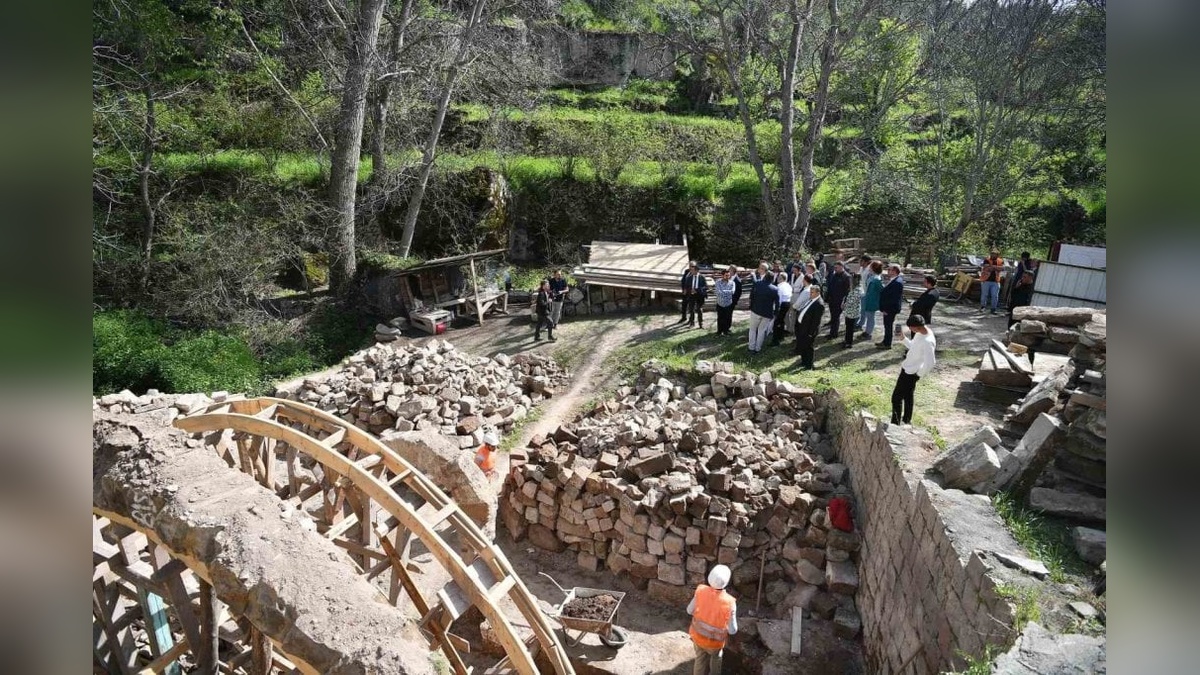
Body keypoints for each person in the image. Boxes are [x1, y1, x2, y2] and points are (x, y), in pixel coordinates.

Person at [687, 564, 738, 675]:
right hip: (715, 643)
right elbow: (732, 630)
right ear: (727, 581)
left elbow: (689, 610)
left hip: (697, 637)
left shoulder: (700, 591)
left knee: (700, 659)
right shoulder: (730, 602)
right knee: (716, 658)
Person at [891, 315, 936, 426]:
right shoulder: (921, 333)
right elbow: (913, 346)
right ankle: (906, 420)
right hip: (908, 368)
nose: (910, 330)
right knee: (908, 396)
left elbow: (930, 362)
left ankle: (895, 423)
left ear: (916, 327)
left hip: (911, 372)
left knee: (896, 398)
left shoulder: (928, 341)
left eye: (910, 328)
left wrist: (918, 374)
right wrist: (903, 338)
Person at [747, 263, 778, 354]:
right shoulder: (775, 289)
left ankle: (751, 347)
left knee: (752, 330)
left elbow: (752, 296)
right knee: (761, 331)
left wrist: (751, 306)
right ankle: (758, 349)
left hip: (756, 310)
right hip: (767, 313)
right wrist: (775, 314)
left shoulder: (757, 283)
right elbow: (777, 303)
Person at [793, 285, 825, 369]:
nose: (810, 294)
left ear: (818, 293)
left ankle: (808, 365)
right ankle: (803, 361)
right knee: (803, 345)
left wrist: (811, 333)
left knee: (808, 347)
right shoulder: (811, 300)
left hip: (808, 330)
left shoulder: (819, 304)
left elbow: (816, 321)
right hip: (802, 327)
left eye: (812, 292)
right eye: (810, 292)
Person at [877, 264, 905, 349]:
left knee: (888, 325)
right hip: (889, 308)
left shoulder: (897, 282)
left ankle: (887, 344)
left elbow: (893, 299)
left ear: (895, 271)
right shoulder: (894, 280)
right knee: (886, 325)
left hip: (890, 309)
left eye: (890, 270)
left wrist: (886, 309)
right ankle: (885, 341)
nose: (888, 271)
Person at [825, 261, 851, 339]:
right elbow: (830, 286)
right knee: (833, 317)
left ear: (841, 267)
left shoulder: (847, 277)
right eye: (834, 267)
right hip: (832, 299)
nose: (835, 269)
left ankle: (834, 334)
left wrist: (844, 301)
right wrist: (827, 297)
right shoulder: (834, 275)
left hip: (839, 301)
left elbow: (847, 291)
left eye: (836, 267)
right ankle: (832, 332)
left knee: (835, 317)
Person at [681, 261, 709, 328]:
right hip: (691, 295)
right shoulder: (689, 277)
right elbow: (686, 285)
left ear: (696, 270)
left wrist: (697, 290)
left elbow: (706, 287)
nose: (691, 271)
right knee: (691, 309)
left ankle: (700, 323)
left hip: (699, 295)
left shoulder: (702, 277)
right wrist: (686, 290)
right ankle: (691, 323)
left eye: (693, 270)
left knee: (699, 309)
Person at [860, 261, 883, 341]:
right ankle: (867, 331)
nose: (869, 267)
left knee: (870, 317)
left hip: (872, 301)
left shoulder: (877, 279)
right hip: (868, 299)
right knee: (867, 315)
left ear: (873, 268)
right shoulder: (871, 276)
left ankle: (868, 333)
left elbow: (881, 291)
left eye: (870, 266)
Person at [979, 249, 1005, 314]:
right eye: (992, 254)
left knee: (995, 295)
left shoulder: (1000, 261)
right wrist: (996, 267)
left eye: (994, 254)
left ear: (997, 255)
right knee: (984, 295)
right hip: (986, 280)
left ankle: (993, 309)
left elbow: (1002, 268)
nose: (993, 255)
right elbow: (987, 268)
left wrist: (993, 267)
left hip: (996, 281)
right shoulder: (987, 260)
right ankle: (983, 307)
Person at [713, 268, 738, 336]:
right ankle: (719, 331)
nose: (728, 277)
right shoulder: (718, 282)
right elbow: (718, 292)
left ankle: (726, 331)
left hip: (728, 304)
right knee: (720, 318)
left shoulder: (732, 283)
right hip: (720, 303)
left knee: (727, 318)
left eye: (729, 275)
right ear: (722, 275)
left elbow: (732, 292)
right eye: (726, 275)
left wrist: (723, 291)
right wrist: (727, 292)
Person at [841, 274, 863, 348]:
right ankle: (847, 340)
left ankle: (848, 343)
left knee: (850, 328)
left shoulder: (857, 290)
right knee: (848, 327)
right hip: (849, 311)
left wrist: (844, 305)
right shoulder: (853, 288)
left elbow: (851, 301)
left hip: (852, 312)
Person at [771, 272, 793, 346]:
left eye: (778, 277)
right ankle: (781, 336)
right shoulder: (788, 285)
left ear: (781, 278)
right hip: (787, 303)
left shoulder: (779, 287)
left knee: (776, 322)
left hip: (782, 304)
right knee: (781, 320)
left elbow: (779, 299)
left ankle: (775, 340)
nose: (777, 279)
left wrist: (776, 308)